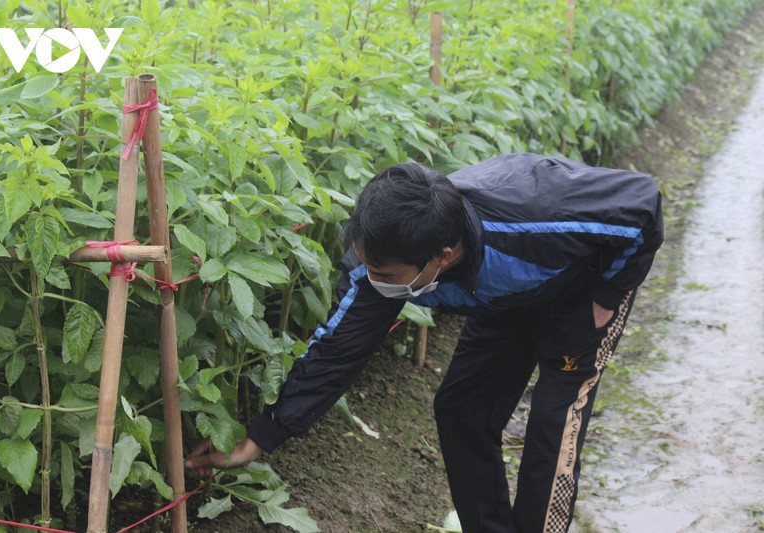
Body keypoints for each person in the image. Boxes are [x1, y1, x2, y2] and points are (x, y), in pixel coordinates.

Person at [185, 153, 664, 532]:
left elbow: (643, 204)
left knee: (552, 426)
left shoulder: (537, 222)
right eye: (369, 266)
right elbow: (337, 351)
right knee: (461, 411)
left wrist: (606, 294)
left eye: (386, 274)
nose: (374, 279)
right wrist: (263, 435)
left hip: (580, 292)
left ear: (443, 256)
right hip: (503, 303)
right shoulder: (383, 262)